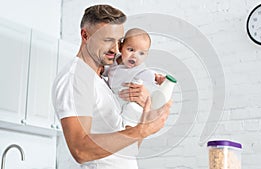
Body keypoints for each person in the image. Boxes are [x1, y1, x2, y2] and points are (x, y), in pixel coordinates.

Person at [52, 4, 172, 169]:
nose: (116, 50)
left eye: (119, 41)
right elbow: (80, 150)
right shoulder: (76, 79)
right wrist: (141, 130)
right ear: (85, 35)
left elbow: (127, 149)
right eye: (108, 40)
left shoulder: (103, 80)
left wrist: (145, 118)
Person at [106, 28, 165, 127]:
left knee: (129, 110)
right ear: (121, 48)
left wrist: (157, 78)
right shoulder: (115, 60)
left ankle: (128, 127)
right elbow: (109, 71)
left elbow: (147, 73)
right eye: (131, 50)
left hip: (131, 101)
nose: (135, 56)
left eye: (141, 53)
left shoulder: (138, 69)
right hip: (117, 97)